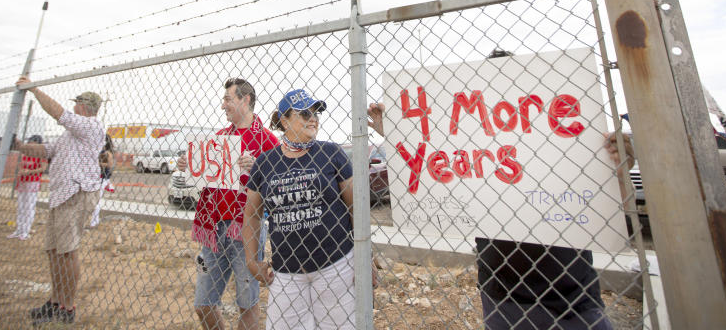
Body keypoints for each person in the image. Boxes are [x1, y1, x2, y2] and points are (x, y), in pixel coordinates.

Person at [367, 101, 634, 330]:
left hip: (572, 297)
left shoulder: (564, 150)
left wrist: (618, 174)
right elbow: (431, 169)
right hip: (502, 296)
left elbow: (621, 219)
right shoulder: (475, 149)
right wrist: (398, 132)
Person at [243, 89, 359, 330]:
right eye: (305, 113)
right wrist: (252, 261)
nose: (313, 118)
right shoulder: (266, 163)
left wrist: (363, 256)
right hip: (286, 273)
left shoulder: (331, 153)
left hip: (335, 266)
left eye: (316, 112)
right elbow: (252, 215)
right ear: (284, 120)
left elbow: (354, 207)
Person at [176, 77, 279, 330]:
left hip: (247, 230)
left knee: (248, 305)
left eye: (228, 99)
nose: (223, 106)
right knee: (203, 305)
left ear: (245, 100)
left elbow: (279, 183)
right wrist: (187, 165)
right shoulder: (219, 139)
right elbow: (205, 177)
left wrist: (259, 167)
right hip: (214, 230)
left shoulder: (268, 141)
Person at [13, 77, 105, 326]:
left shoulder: (91, 126)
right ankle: (55, 301)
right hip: (60, 195)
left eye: (77, 104)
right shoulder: (70, 135)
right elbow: (47, 151)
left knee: (67, 251)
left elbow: (58, 113)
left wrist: (34, 90)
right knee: (54, 251)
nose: (73, 108)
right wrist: (21, 147)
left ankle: (67, 306)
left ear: (84, 106)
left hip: (75, 193)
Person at [10, 134, 45, 239]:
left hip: (32, 182)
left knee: (28, 207)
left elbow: (43, 168)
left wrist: (30, 172)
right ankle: (19, 229)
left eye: (32, 143)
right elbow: (20, 164)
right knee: (21, 206)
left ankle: (26, 230)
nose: (30, 144)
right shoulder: (25, 153)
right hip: (23, 181)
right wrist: (21, 171)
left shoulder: (41, 154)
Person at [89, 134, 116, 228]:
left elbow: (109, 165)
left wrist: (98, 163)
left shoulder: (108, 153)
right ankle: (94, 220)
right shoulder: (100, 151)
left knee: (97, 200)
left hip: (102, 178)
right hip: (97, 178)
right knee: (94, 199)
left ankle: (94, 221)